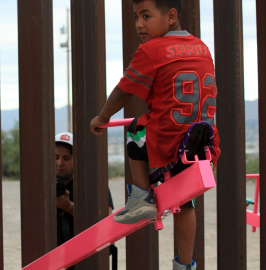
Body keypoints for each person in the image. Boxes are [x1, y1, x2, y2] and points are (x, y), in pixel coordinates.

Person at [89, 1, 220, 269]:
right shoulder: (203, 48)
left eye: (146, 16)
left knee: (136, 129)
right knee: (185, 202)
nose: (139, 24)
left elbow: (124, 90)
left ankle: (141, 197)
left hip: (169, 140)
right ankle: (185, 265)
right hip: (201, 143)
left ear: (171, 16)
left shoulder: (151, 50)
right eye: (136, 17)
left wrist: (103, 117)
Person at [55, 132, 114, 269]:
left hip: (88, 257)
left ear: (78, 160)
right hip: (54, 258)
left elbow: (106, 220)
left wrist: (68, 206)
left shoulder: (93, 185)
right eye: (56, 157)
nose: (60, 163)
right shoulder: (45, 186)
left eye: (66, 158)